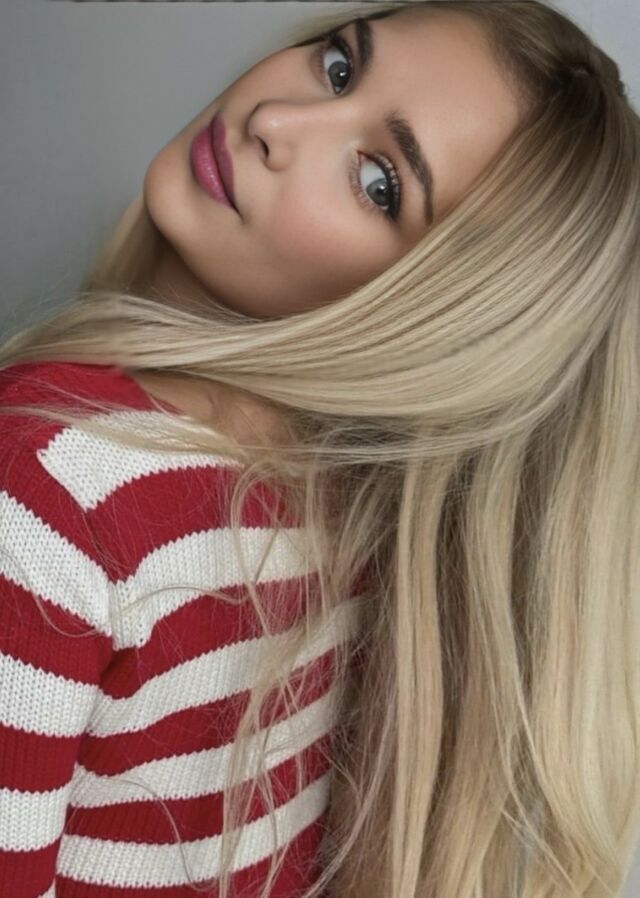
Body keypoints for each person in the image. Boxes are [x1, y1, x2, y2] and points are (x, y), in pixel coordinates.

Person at [0, 1, 638, 897]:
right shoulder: (352, 521)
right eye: (338, 68)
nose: (276, 120)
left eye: (380, 183)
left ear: (434, 320)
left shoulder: (49, 486)